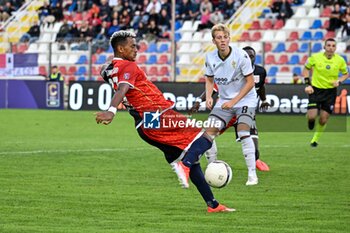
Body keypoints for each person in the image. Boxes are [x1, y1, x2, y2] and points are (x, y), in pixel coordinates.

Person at [95, 30, 234, 213]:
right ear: (121, 49)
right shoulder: (128, 67)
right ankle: (183, 166)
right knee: (207, 135)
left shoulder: (114, 68)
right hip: (157, 116)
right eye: (132, 46)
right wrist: (111, 111)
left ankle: (213, 205)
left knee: (192, 160)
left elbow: (106, 72)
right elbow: (122, 89)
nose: (136, 49)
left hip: (144, 125)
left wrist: (107, 67)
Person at [182, 24, 259, 186]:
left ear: (229, 38)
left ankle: (252, 175)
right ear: (213, 41)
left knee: (243, 131)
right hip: (224, 100)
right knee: (208, 132)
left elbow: (250, 82)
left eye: (225, 37)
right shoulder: (210, 58)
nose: (222, 41)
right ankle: (213, 166)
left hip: (245, 99)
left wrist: (234, 102)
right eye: (219, 38)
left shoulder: (241, 56)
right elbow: (209, 79)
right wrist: (209, 96)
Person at [188, 46, 270, 173]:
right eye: (246, 55)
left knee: (254, 149)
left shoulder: (260, 71)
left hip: (244, 110)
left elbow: (261, 86)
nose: (249, 58)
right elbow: (214, 88)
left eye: (251, 56)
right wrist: (199, 100)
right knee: (208, 135)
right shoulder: (231, 69)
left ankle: (255, 161)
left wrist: (264, 100)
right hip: (227, 110)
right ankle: (210, 165)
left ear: (254, 57)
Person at [302, 38, 349, 147]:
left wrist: (339, 81)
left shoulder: (340, 60)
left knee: (323, 119)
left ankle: (315, 140)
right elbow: (305, 69)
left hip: (330, 92)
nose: (331, 48)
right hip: (316, 90)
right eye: (328, 45)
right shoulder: (315, 58)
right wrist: (308, 84)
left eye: (333, 46)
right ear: (324, 47)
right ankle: (310, 120)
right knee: (312, 117)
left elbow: (346, 74)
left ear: (335, 48)